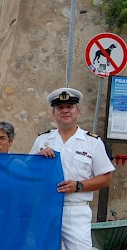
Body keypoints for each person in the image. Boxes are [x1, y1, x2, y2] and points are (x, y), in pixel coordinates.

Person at [29, 87, 114, 250]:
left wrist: (79, 185)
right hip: (45, 207)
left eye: (70, 107)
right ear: (53, 114)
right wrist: (36, 158)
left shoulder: (92, 142)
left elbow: (106, 178)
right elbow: (29, 173)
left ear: (78, 112)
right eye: (60, 108)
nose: (65, 111)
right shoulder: (42, 140)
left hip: (75, 210)